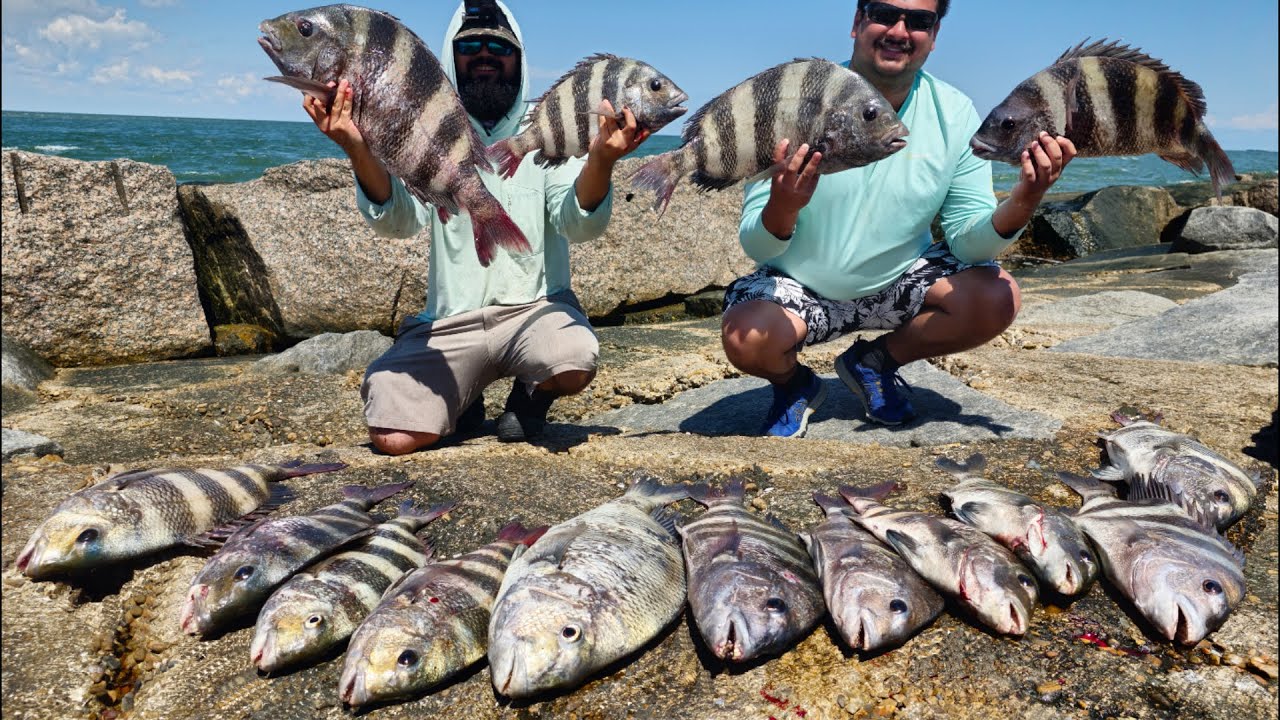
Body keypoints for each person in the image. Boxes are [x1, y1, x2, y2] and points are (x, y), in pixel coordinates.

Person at [304, 0, 650, 454]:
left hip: (535, 313)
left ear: (519, 58)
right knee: (392, 436)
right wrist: (357, 149)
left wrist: (601, 159)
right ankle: (463, 399)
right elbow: (399, 221)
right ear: (452, 55)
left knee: (573, 356)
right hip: (450, 323)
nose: (484, 54)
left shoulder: (547, 125)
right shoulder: (416, 119)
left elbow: (576, 223)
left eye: (497, 46)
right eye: (470, 45)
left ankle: (531, 397)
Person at [721, 0, 1076, 436]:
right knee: (746, 337)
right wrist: (784, 204)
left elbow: (967, 241)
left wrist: (1027, 196)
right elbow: (756, 246)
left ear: (934, 35)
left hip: (898, 282)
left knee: (997, 296)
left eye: (920, 21)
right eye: (885, 14)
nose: (900, 30)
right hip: (800, 288)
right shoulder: (796, 102)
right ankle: (796, 385)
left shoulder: (956, 112)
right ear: (857, 22)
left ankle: (874, 362)